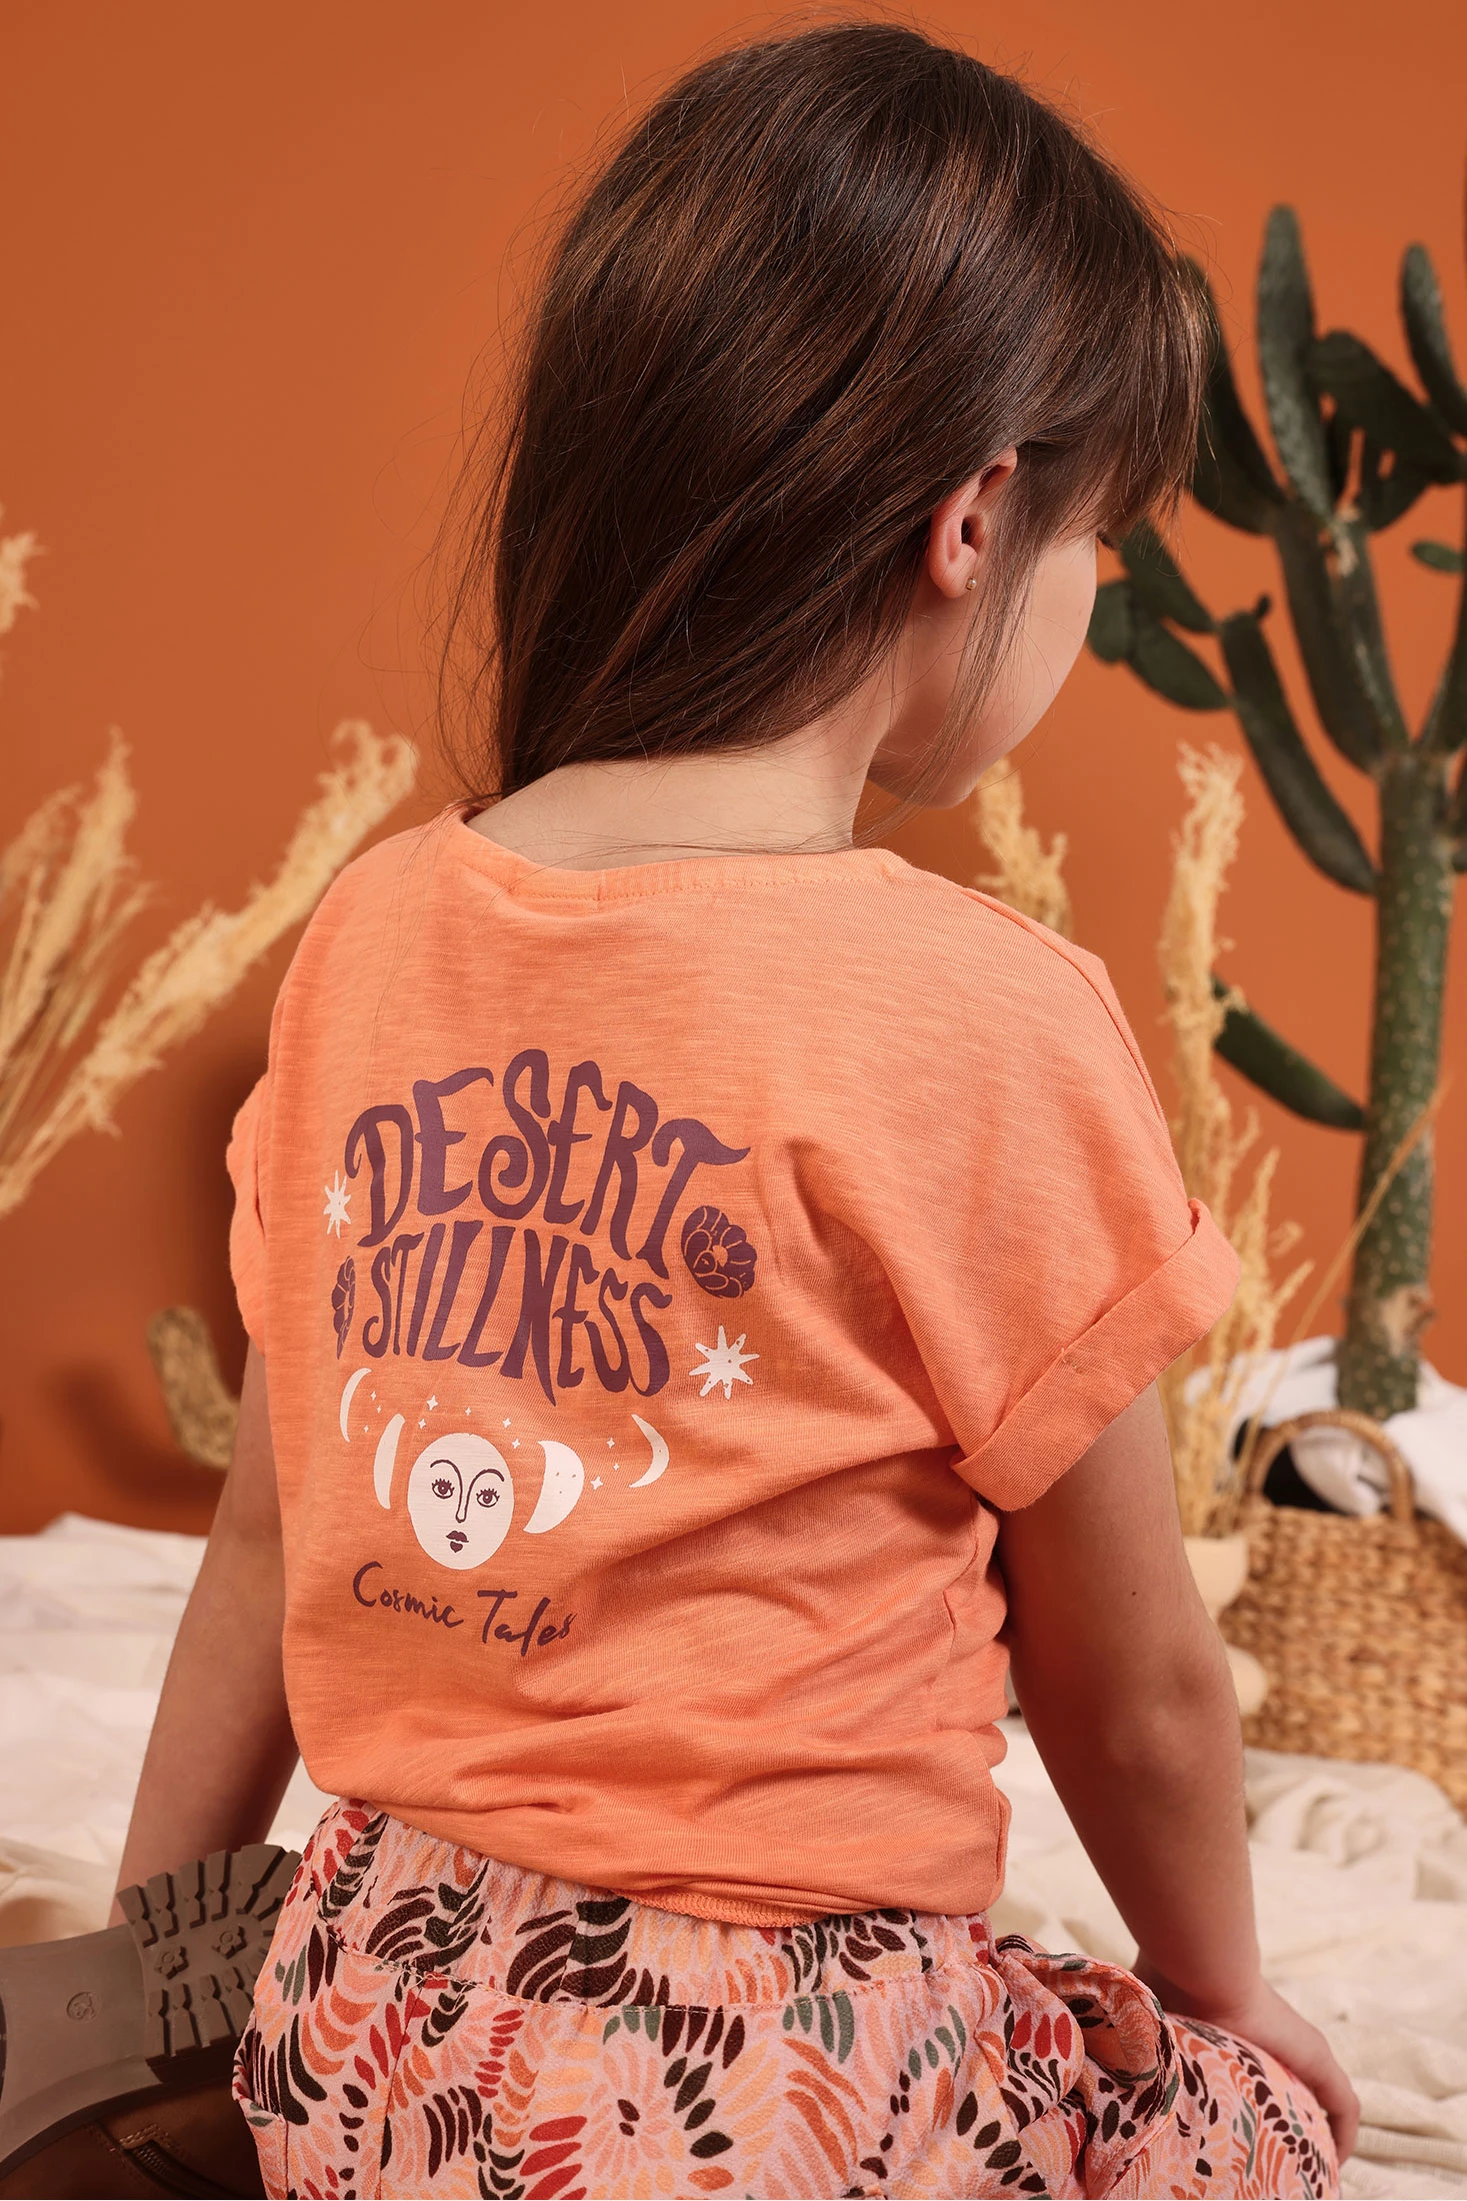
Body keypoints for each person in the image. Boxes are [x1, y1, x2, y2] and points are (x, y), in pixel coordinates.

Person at [110, 23, 1357, 2198]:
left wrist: (144, 2001)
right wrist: (1225, 1992)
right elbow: (1137, 1684)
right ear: (975, 519)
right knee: (1236, 2124)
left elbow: (270, 1543)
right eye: (1098, 545)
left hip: (364, 2024)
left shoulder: (373, 930)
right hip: (758, 2078)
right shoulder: (985, 1011)